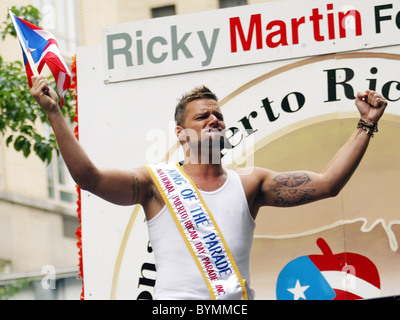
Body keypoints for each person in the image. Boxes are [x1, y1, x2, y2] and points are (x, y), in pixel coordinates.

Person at [30, 76, 387, 300]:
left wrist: (365, 124)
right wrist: (54, 114)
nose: (214, 119)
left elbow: (328, 184)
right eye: (202, 116)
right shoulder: (155, 183)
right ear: (181, 133)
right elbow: (89, 178)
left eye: (218, 115)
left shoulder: (251, 183)